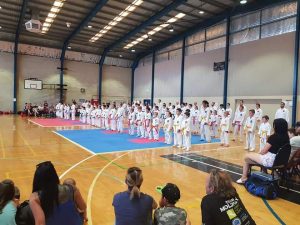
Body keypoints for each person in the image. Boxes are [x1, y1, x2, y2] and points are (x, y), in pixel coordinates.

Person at [236, 118, 290, 184]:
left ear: (276, 127)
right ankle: (264, 173)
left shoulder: (273, 137)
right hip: (281, 161)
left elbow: (263, 151)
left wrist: (257, 154)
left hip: (271, 161)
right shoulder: (286, 137)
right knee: (254, 158)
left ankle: (244, 178)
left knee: (247, 157)